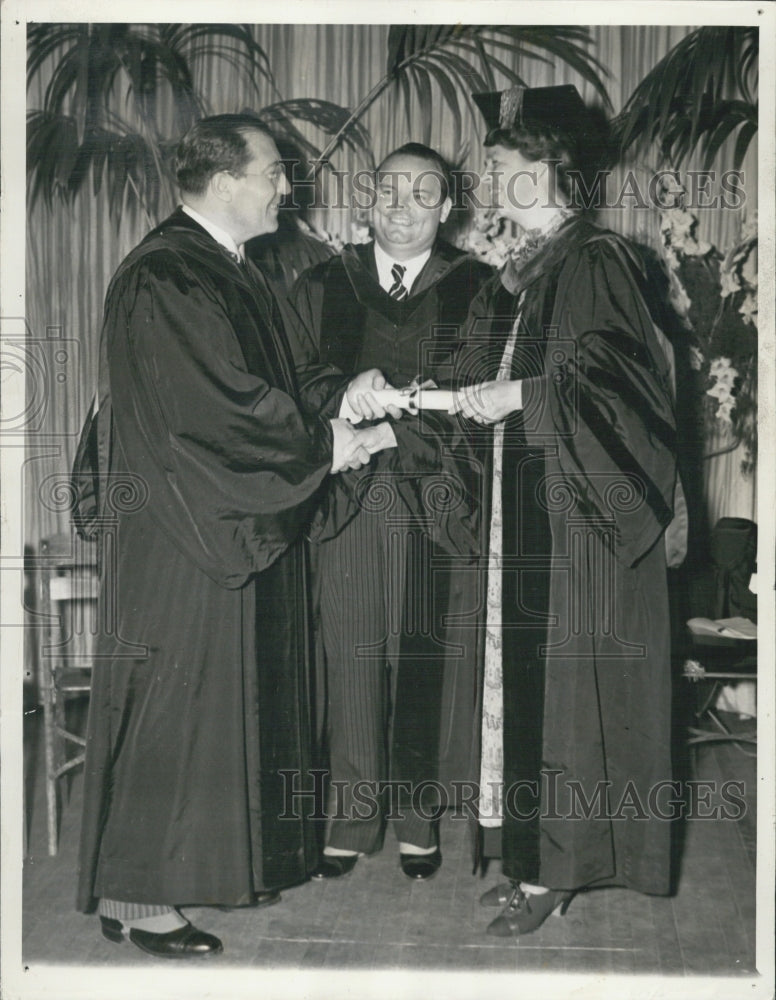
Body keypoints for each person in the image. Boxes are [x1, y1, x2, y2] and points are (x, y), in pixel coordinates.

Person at [75, 114, 395, 958]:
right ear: (225, 184)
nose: (285, 188)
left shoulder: (229, 268)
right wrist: (327, 444)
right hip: (185, 531)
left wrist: (348, 393)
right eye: (273, 174)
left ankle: (140, 885)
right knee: (179, 706)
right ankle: (141, 898)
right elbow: (219, 409)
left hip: (214, 515)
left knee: (206, 707)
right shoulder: (168, 276)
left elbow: (286, 377)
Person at [451, 86, 679, 935]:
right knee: (529, 694)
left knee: (571, 703)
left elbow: (627, 391)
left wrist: (520, 392)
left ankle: (559, 871)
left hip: (581, 519)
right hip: (533, 505)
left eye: (499, 162)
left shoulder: (596, 259)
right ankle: (532, 859)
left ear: (546, 170)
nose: (486, 173)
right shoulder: (534, 263)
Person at [289, 143, 494, 880]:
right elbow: (296, 380)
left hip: (440, 500)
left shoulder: (481, 289)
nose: (403, 204)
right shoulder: (320, 284)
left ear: (448, 208)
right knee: (349, 657)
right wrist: (346, 394)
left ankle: (420, 815)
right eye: (389, 189)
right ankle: (350, 814)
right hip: (349, 500)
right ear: (368, 200)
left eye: (422, 192)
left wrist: (394, 423)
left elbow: (483, 397)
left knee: (429, 660)